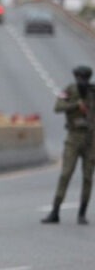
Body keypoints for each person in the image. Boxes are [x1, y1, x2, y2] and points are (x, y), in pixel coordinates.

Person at [42, 65, 95, 225]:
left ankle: (82, 213)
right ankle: (55, 211)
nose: (82, 81)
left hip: (91, 139)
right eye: (79, 78)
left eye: (85, 78)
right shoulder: (70, 91)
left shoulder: (93, 92)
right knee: (66, 174)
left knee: (87, 177)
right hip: (73, 137)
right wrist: (75, 105)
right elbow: (58, 107)